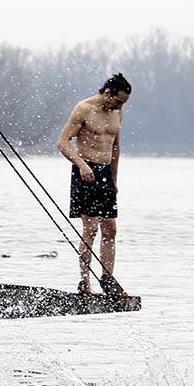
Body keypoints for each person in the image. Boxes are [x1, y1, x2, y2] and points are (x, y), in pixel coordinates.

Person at [57, 72, 131, 297]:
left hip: (106, 173)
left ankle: (107, 280)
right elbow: (62, 143)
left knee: (110, 228)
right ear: (107, 93)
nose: (119, 106)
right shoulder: (84, 109)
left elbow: (115, 147)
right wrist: (81, 164)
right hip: (85, 171)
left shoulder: (118, 111)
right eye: (117, 101)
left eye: (123, 103)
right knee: (90, 229)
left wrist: (115, 179)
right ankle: (84, 282)